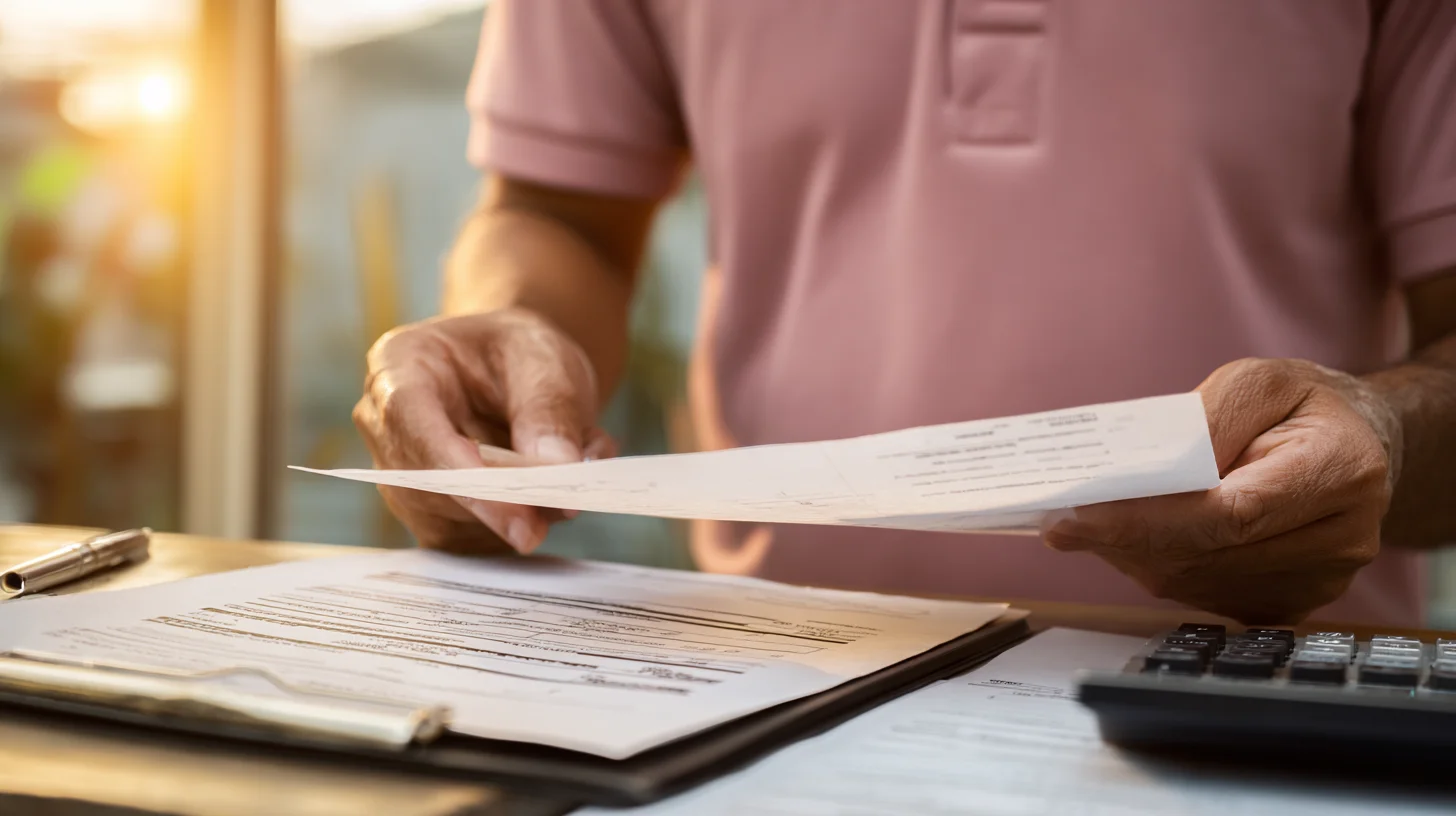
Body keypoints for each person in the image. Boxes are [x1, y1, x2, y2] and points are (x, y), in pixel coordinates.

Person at [355, 1, 1456, 626]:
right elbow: (559, 213)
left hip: (1265, 710)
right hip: (768, 688)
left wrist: (1388, 435)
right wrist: (506, 339)